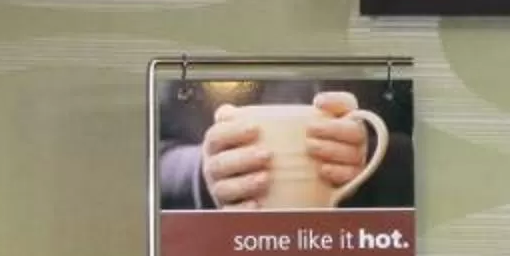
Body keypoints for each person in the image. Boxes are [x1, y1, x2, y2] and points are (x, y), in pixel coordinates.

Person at [157, 83, 408, 210]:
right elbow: (142, 159)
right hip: (220, 253)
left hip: (369, 247)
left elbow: (429, 150)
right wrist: (203, 171)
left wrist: (375, 160)